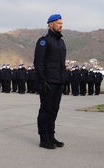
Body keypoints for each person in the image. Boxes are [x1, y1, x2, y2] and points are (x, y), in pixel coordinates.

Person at [34, 14, 66, 149]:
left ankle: (51, 136)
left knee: (54, 110)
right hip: (48, 81)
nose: (61, 25)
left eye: (62, 23)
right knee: (45, 110)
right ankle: (44, 138)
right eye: (58, 23)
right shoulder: (44, 41)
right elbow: (38, 62)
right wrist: (42, 81)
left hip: (58, 81)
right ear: (50, 24)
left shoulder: (61, 42)